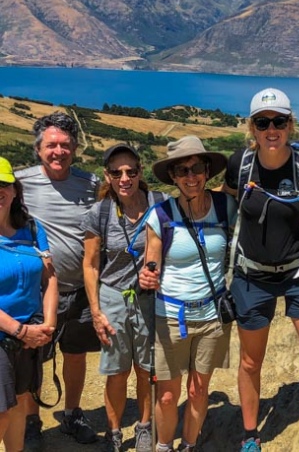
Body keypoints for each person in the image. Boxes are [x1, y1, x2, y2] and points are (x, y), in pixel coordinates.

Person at [222, 88, 299, 451]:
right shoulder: (240, 164)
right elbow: (224, 205)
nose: (271, 129)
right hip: (251, 274)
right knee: (250, 362)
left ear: (291, 124)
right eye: (262, 122)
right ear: (252, 127)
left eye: (279, 121)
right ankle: (250, 433)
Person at [139, 136, 236, 452]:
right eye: (182, 170)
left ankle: (189, 445)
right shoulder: (161, 216)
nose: (190, 176)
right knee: (167, 394)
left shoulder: (225, 207)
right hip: (171, 318)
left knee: (198, 391)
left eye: (196, 168)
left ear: (207, 170)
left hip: (212, 318)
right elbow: (151, 260)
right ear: (173, 177)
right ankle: (164, 445)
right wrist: (147, 274)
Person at [15, 112, 100, 448]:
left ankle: (73, 415)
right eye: (51, 145)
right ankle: (32, 423)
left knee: (76, 355)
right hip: (37, 293)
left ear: (75, 148)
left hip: (80, 290)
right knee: (33, 362)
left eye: (65, 145)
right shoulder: (20, 184)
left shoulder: (91, 184)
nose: (58, 151)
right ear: (38, 149)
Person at [83, 144, 166, 452]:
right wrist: (95, 310)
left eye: (131, 171)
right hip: (113, 297)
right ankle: (114, 432)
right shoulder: (100, 212)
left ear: (140, 172)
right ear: (107, 175)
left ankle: (144, 427)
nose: (124, 178)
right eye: (117, 172)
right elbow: (90, 264)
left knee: (146, 369)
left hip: (148, 299)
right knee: (117, 371)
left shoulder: (160, 204)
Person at [0, 157, 58, 452]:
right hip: (7, 336)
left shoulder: (33, 229)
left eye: (3, 184)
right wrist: (21, 331)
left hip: (28, 337)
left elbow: (49, 278)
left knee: (22, 402)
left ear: (14, 190)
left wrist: (48, 324)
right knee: (1, 413)